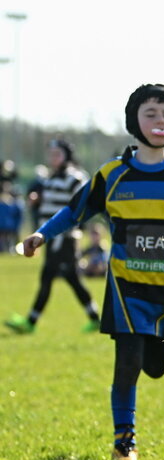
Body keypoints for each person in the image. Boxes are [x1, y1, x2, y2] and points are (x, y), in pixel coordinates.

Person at [16, 84, 164, 460]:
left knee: (155, 368)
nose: (161, 121)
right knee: (127, 362)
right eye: (151, 113)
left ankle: (147, 356)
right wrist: (42, 233)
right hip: (125, 287)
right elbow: (75, 212)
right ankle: (124, 442)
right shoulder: (112, 174)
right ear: (134, 121)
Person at [5, 139, 101, 334]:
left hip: (64, 238)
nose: (53, 158)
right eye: (51, 154)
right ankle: (95, 318)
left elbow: (81, 204)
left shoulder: (75, 178)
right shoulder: (49, 178)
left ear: (67, 156)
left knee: (48, 277)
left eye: (57, 154)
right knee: (71, 279)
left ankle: (30, 322)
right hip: (50, 237)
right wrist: (38, 201)